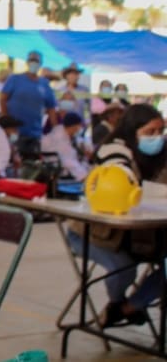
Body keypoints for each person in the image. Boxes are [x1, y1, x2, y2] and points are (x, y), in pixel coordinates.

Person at [66, 104, 166, 328]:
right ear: (132, 130)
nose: (157, 137)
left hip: (139, 236)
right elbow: (122, 181)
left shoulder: (160, 155)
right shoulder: (114, 150)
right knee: (124, 268)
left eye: (161, 131)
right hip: (95, 234)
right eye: (150, 132)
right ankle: (118, 303)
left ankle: (126, 308)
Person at [0, 50, 57, 160]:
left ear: (40, 64)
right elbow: (3, 99)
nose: (33, 63)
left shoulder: (44, 83)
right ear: (27, 62)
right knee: (13, 160)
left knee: (32, 162)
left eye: (36, 61)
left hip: (35, 133)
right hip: (15, 131)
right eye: (31, 60)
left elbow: (51, 107)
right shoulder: (15, 79)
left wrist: (55, 129)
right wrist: (6, 121)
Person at [40, 112, 89, 181]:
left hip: (61, 161)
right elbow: (68, 159)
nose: (79, 129)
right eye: (78, 126)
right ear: (74, 126)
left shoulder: (65, 132)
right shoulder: (59, 137)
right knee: (74, 164)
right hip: (56, 163)